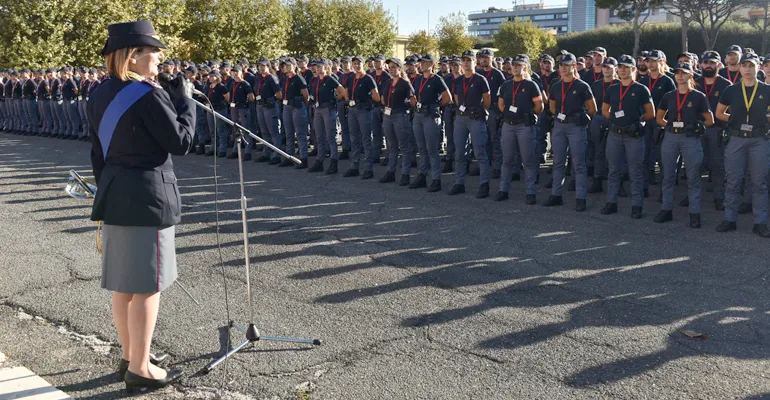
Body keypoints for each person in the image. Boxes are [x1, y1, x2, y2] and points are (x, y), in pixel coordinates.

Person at [87, 20, 192, 391]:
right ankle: (140, 369)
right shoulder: (149, 94)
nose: (160, 56)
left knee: (125, 285)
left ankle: (132, 354)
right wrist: (185, 101)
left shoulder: (99, 93)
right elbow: (180, 141)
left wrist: (110, 189)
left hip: (116, 192)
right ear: (133, 56)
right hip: (149, 197)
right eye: (154, 51)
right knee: (148, 286)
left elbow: (97, 153)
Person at [714, 52, 770, 237]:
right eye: (745, 66)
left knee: (759, 182)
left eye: (751, 66)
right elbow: (719, 113)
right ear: (739, 68)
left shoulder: (766, 90)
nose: (747, 69)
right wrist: (734, 122)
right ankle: (729, 219)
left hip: (759, 140)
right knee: (733, 180)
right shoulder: (731, 90)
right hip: (736, 139)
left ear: (758, 68)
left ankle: (760, 222)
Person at [654, 62, 714, 228]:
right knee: (667, 175)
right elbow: (659, 118)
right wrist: (670, 126)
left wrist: (698, 126)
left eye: (684, 73)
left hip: (690, 138)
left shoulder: (698, 96)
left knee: (693, 176)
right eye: (678, 73)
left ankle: (694, 213)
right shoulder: (669, 96)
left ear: (690, 75)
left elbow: (710, 120)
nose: (680, 76)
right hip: (671, 137)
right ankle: (666, 209)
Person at [601, 55, 655, 219]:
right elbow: (604, 109)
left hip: (634, 136)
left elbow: (650, 112)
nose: (623, 70)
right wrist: (614, 120)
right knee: (613, 170)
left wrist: (639, 121)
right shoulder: (612, 89)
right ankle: (611, 202)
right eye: (620, 67)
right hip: (614, 134)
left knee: (635, 171)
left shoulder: (640, 89)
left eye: (626, 67)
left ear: (633, 69)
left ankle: (636, 205)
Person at [545, 53, 597, 211]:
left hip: (576, 127)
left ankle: (580, 198)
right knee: (558, 162)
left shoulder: (582, 85)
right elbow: (552, 107)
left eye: (567, 65)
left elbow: (593, 108)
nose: (563, 68)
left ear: (574, 66)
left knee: (578, 164)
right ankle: (556, 194)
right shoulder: (555, 85)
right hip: (559, 126)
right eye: (561, 65)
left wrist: (582, 117)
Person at [495, 54, 543, 204]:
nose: (515, 67)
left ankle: (530, 192)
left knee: (528, 160)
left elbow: (539, 106)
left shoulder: (531, 85)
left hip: (524, 125)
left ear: (525, 67)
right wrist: (510, 114)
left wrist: (526, 115)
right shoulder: (506, 84)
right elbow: (501, 105)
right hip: (508, 125)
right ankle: (503, 190)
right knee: (507, 159)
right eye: (513, 64)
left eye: (518, 65)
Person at [449, 50, 491, 198]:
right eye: (464, 60)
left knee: (480, 152)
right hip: (461, 119)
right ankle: (459, 183)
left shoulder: (480, 79)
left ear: (475, 62)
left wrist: (481, 111)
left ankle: (484, 184)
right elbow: (456, 98)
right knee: (460, 152)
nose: (466, 63)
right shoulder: (458, 80)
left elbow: (487, 100)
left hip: (475, 118)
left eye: (469, 60)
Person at [695, 51, 731, 211]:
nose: (708, 65)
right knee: (694, 165)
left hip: (717, 130)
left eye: (712, 62)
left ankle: (719, 197)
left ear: (718, 65)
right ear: (701, 65)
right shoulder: (694, 82)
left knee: (717, 166)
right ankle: (693, 197)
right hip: (696, 130)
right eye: (706, 62)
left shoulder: (726, 85)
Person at [410, 54, 451, 192]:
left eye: (425, 62)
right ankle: (422, 175)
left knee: (432, 149)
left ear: (432, 64)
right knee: (421, 149)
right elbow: (414, 95)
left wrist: (436, 106)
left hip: (430, 116)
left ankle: (436, 179)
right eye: (421, 62)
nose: (422, 64)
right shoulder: (419, 79)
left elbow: (447, 97)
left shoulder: (437, 79)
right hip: (419, 115)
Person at [640, 50, 675, 193]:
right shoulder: (643, 81)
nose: (650, 64)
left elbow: (673, 103)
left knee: (662, 156)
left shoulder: (667, 81)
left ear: (661, 62)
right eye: (648, 61)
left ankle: (663, 189)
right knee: (645, 153)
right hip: (647, 121)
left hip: (661, 122)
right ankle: (645, 185)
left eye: (653, 61)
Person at [343, 55, 380, 179]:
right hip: (352, 110)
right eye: (354, 63)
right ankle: (355, 166)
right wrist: (348, 100)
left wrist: (366, 100)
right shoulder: (351, 77)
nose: (356, 66)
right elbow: (346, 91)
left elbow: (377, 97)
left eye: (359, 63)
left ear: (363, 64)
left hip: (364, 110)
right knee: (354, 138)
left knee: (366, 139)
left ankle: (368, 168)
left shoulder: (368, 78)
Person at [379, 58, 415, 186]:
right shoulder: (388, 82)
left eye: (394, 67)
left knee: (404, 146)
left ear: (400, 68)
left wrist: (404, 108)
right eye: (389, 67)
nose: (391, 69)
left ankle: (405, 173)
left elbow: (413, 100)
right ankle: (391, 171)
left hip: (400, 115)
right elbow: (383, 99)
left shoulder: (405, 83)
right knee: (391, 145)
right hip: (388, 115)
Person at [588, 57, 620, 194]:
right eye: (604, 67)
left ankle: (619, 184)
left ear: (615, 69)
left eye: (609, 67)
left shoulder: (620, 84)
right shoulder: (596, 84)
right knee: (599, 150)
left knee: (616, 153)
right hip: (599, 118)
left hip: (616, 120)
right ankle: (597, 180)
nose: (606, 69)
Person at [308, 58, 346, 174]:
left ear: (325, 67)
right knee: (319, 137)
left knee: (330, 137)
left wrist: (334, 100)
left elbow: (342, 92)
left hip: (328, 109)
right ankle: (319, 161)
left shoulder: (329, 79)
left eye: (320, 66)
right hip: (318, 109)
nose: (317, 68)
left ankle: (333, 162)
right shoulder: (315, 80)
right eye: (316, 66)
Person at [476, 48, 505, 179]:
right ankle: (484, 164)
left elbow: (505, 93)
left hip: (493, 110)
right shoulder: (478, 73)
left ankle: (497, 166)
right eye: (481, 57)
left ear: (492, 59)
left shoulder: (498, 74)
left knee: (494, 139)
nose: (483, 60)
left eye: (486, 57)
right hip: (480, 109)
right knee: (481, 139)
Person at [278, 58, 310, 169]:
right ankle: (289, 157)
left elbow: (306, 95)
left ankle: (303, 158)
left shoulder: (299, 78)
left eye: (289, 65)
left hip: (297, 107)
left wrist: (302, 105)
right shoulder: (284, 78)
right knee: (289, 133)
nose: (286, 67)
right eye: (285, 65)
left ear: (294, 66)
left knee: (300, 134)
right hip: (287, 107)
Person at [253, 57, 283, 165]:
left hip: (269, 106)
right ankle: (266, 153)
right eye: (259, 66)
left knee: (273, 131)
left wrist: (272, 100)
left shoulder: (272, 78)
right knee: (264, 131)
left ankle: (276, 154)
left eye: (263, 66)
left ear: (268, 66)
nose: (261, 68)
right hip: (260, 106)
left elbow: (279, 95)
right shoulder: (258, 78)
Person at [225, 65, 255, 161]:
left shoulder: (245, 84)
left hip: (243, 108)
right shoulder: (233, 84)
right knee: (236, 130)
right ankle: (236, 151)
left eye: (237, 72)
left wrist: (244, 102)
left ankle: (248, 152)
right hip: (234, 108)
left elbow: (251, 97)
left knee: (246, 129)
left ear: (241, 73)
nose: (235, 74)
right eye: (233, 72)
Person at [204, 70, 231, 157]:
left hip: (220, 109)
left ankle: (223, 149)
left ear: (217, 77)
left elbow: (227, 98)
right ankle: (213, 148)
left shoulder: (221, 87)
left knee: (221, 129)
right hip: (210, 110)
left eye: (212, 76)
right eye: (210, 76)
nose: (210, 78)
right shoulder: (209, 86)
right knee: (212, 131)